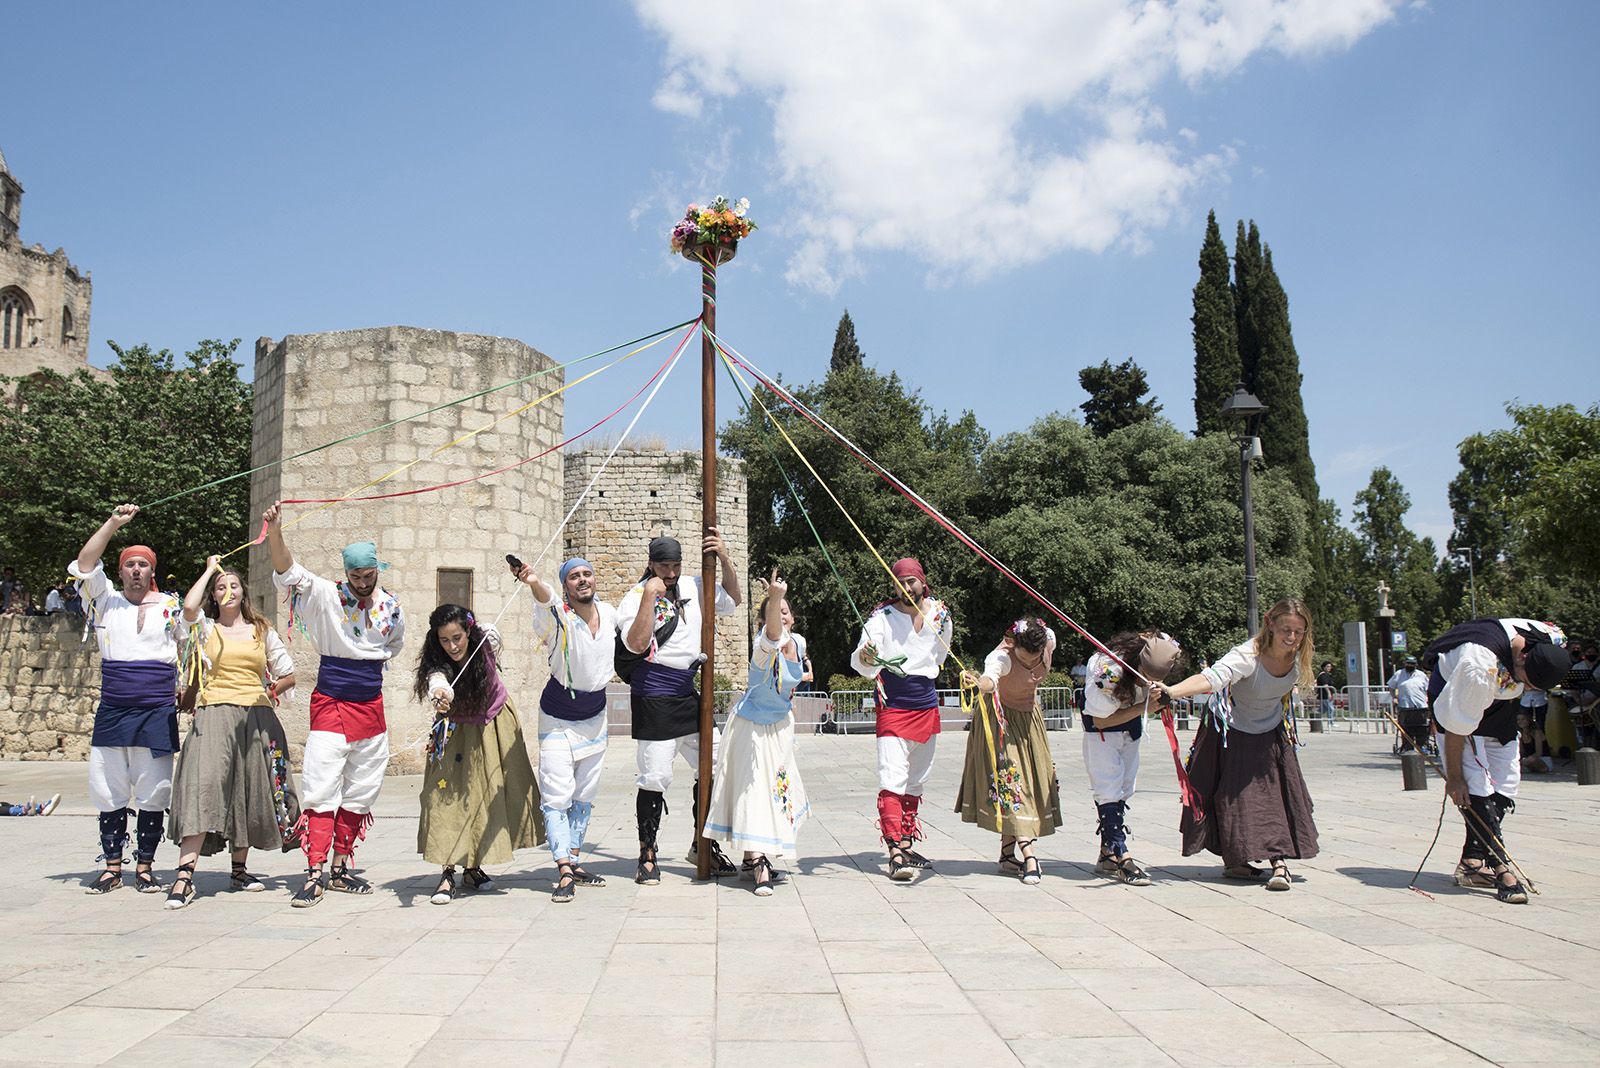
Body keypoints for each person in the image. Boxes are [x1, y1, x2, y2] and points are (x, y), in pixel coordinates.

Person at [264, 502, 406, 907]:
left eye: (368, 575)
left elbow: (392, 648)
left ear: (379, 569)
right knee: (321, 785)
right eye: (355, 575)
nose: (362, 582)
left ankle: (341, 867)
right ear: (346, 574)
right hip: (330, 701)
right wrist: (275, 530)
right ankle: (314, 871)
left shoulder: (392, 607)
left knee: (362, 789)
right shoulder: (326, 593)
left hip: (370, 705)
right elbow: (287, 570)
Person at [165, 556, 301, 910]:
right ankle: (184, 876)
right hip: (213, 713)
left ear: (244, 593)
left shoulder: (262, 631)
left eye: (234, 585)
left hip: (257, 715)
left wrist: (269, 693)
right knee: (203, 785)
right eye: (221, 588)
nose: (228, 591)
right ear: (215, 594)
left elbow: (288, 673)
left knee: (249, 788)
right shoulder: (206, 629)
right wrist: (212, 569)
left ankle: (239, 870)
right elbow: (188, 607)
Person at [1156, 599, 1320, 892]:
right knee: (1233, 798)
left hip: (1271, 733)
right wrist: (1173, 691)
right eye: (1286, 630)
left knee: (1275, 799)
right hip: (1229, 732)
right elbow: (1213, 678)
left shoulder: (1299, 659)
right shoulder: (1246, 656)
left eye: (1299, 632)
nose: (1292, 638)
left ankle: (1278, 862)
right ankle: (1238, 860)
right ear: (1269, 623)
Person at [69, 505, 183, 894]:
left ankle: (146, 866)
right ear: (119, 572)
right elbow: (85, 563)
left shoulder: (171, 606)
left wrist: (192, 690)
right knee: (109, 787)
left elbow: (192, 651)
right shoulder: (105, 601)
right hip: (115, 709)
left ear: (152, 572)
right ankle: (112, 867)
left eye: (143, 565)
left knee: (154, 790)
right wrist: (115, 523)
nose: (136, 570)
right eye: (129, 564)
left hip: (157, 710)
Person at [618, 530, 742, 884]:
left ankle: (702, 844)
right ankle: (648, 853)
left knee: (718, 762)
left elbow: (733, 600)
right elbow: (636, 644)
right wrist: (648, 597)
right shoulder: (635, 596)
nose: (670, 573)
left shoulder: (693, 585)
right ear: (651, 564)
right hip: (654, 695)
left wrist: (725, 559)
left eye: (675, 566)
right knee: (655, 776)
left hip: (689, 696)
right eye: (663, 566)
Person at [1426, 617, 1569, 904]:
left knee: (1507, 782)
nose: (1528, 690)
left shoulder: (1549, 638)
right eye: (1527, 683)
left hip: (1499, 706)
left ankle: (1472, 861)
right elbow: (1456, 727)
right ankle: (1503, 868)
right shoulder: (1479, 665)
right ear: (1521, 660)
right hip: (1457, 698)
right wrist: (1454, 777)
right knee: (1474, 784)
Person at [414, 604, 542, 905]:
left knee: (485, 795)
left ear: (468, 631)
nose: (452, 646)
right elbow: (438, 681)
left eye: (457, 637)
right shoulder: (438, 662)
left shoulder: (484, 640)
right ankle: (447, 871)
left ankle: (472, 868)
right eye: (444, 640)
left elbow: (494, 635)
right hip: (456, 730)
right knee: (448, 797)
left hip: (494, 723)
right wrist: (441, 694)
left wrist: (484, 632)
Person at [702, 569, 811, 897]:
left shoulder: (800, 643)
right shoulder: (762, 648)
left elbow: (792, 657)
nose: (782, 617)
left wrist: (775, 600)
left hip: (779, 727)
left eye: (785, 610)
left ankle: (754, 860)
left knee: (778, 791)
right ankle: (757, 860)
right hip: (751, 727)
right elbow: (773, 637)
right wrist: (775, 598)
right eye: (774, 614)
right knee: (754, 793)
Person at [517, 557, 617, 902]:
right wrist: (532, 580)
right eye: (574, 576)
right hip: (558, 718)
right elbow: (544, 597)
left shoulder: (611, 614)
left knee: (585, 793)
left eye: (587, 573)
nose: (582, 579)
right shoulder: (556, 616)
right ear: (566, 586)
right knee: (557, 794)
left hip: (595, 717)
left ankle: (574, 859)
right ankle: (562, 868)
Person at [851, 557, 953, 881]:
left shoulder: (940, 613)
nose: (907, 587)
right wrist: (867, 656)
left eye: (911, 581)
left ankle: (907, 841)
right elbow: (864, 657)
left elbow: (940, 654)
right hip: (894, 706)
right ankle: (895, 850)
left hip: (926, 704)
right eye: (901, 582)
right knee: (892, 776)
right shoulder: (882, 617)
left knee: (916, 778)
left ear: (923, 582)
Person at [955, 617, 1062, 885]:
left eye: (1034, 658)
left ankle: (1006, 854)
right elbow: (991, 679)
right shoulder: (1001, 657)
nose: (1029, 664)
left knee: (1032, 782)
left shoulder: (1047, 641)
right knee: (1014, 785)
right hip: (999, 721)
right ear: (1013, 645)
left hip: (1028, 720)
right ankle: (1030, 856)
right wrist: (979, 683)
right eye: (1023, 658)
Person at [1080, 631, 1182, 886]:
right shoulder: (1109, 671)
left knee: (1125, 788)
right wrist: (1143, 708)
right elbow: (1099, 720)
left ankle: (1107, 855)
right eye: (1146, 676)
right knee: (1108, 789)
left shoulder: (1162, 648)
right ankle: (1122, 856)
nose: (1149, 682)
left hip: (1130, 730)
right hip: (1102, 733)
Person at [1386, 656, 1432, 754]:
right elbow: (1391, 686)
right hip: (1405, 706)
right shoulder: (1399, 674)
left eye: (1412, 664)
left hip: (1420, 706)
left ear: (1416, 665)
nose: (1409, 665)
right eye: (1408, 663)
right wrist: (1394, 697)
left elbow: (1428, 689)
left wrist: (1428, 699)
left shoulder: (1421, 675)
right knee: (1406, 728)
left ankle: (1422, 746)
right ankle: (1407, 747)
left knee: (1422, 727)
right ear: (1405, 664)